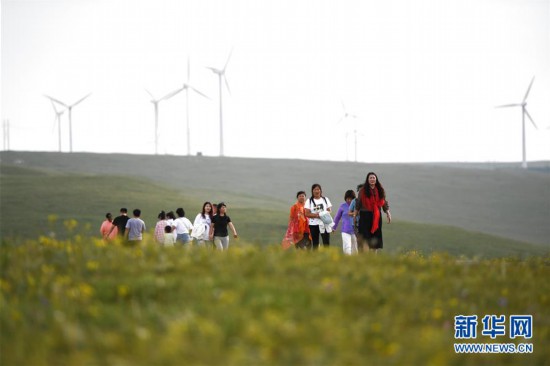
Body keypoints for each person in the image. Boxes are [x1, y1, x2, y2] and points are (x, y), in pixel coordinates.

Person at [354, 172, 391, 252]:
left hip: (376, 216)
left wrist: (388, 212)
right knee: (364, 237)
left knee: (375, 237)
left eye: (373, 178)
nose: (372, 179)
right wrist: (355, 214)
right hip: (365, 216)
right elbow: (359, 202)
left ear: (376, 179)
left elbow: (383, 202)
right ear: (367, 180)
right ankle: (363, 256)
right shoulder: (363, 190)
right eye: (370, 178)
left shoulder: (380, 190)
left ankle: (374, 257)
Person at [304, 183, 333, 250]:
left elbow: (329, 210)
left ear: (320, 191)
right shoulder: (309, 201)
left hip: (324, 223)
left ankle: (327, 257)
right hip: (314, 224)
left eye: (318, 189)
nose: (316, 191)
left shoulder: (325, 199)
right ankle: (316, 257)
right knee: (315, 243)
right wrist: (317, 215)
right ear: (312, 191)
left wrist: (323, 214)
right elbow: (307, 213)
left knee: (326, 242)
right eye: (315, 189)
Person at [333, 190, 358, 255]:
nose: (349, 200)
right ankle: (347, 261)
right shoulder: (342, 206)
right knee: (347, 247)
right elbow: (337, 217)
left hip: (355, 230)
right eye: (347, 198)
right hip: (345, 230)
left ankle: (355, 263)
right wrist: (334, 227)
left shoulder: (357, 206)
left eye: (351, 199)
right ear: (345, 198)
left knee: (355, 248)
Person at [349, 183, 364, 251]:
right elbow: (349, 213)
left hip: (366, 223)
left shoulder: (368, 201)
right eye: (360, 191)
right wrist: (355, 213)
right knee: (359, 241)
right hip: (356, 224)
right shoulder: (354, 201)